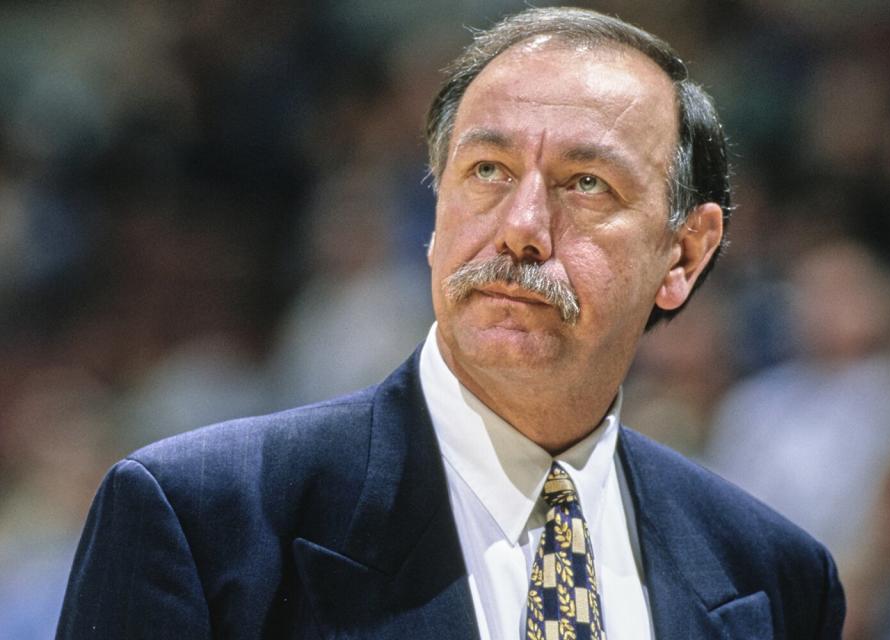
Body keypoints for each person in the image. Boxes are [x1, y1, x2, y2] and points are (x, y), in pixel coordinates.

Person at [57, 7, 845, 639]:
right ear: (435, 216)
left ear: (684, 254)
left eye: (586, 183)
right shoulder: (203, 520)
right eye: (488, 171)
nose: (521, 227)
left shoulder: (774, 578)